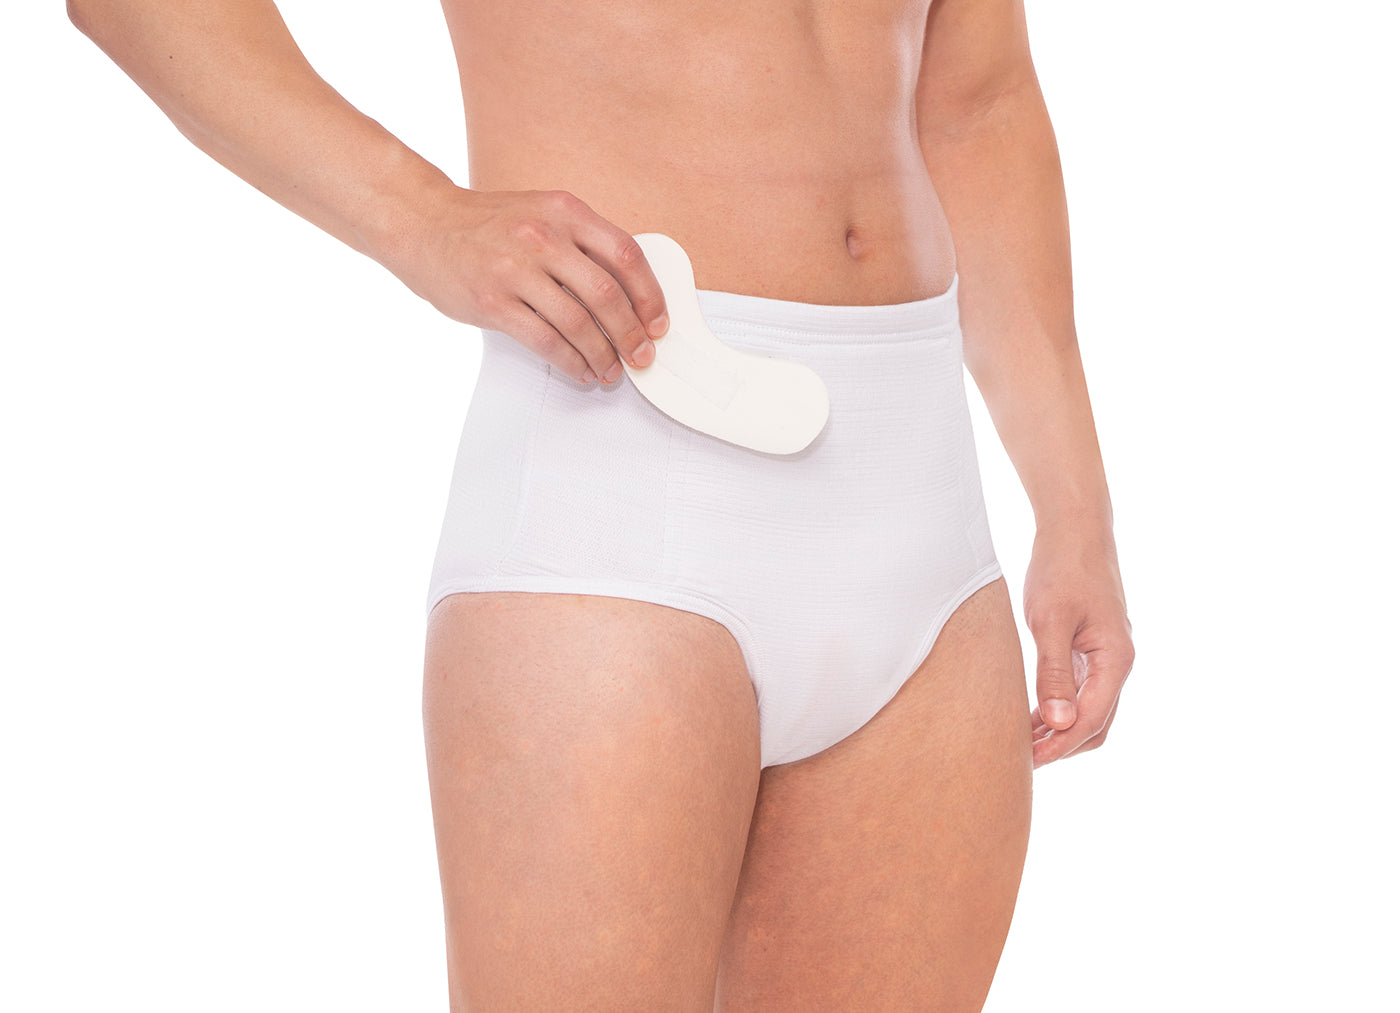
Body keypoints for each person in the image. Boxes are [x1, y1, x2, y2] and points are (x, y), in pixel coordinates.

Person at [70, 0, 1135, 1007]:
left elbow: (977, 101)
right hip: (620, 482)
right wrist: (422, 220)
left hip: (919, 524)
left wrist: (1073, 507)